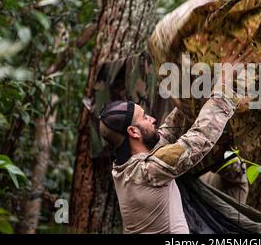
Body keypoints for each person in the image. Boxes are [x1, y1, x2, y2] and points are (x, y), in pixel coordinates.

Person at [98, 67, 247, 234]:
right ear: (133, 132)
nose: (153, 119)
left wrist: (198, 86)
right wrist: (224, 84)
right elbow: (200, 139)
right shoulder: (149, 171)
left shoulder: (124, 167)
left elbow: (168, 131)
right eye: (145, 117)